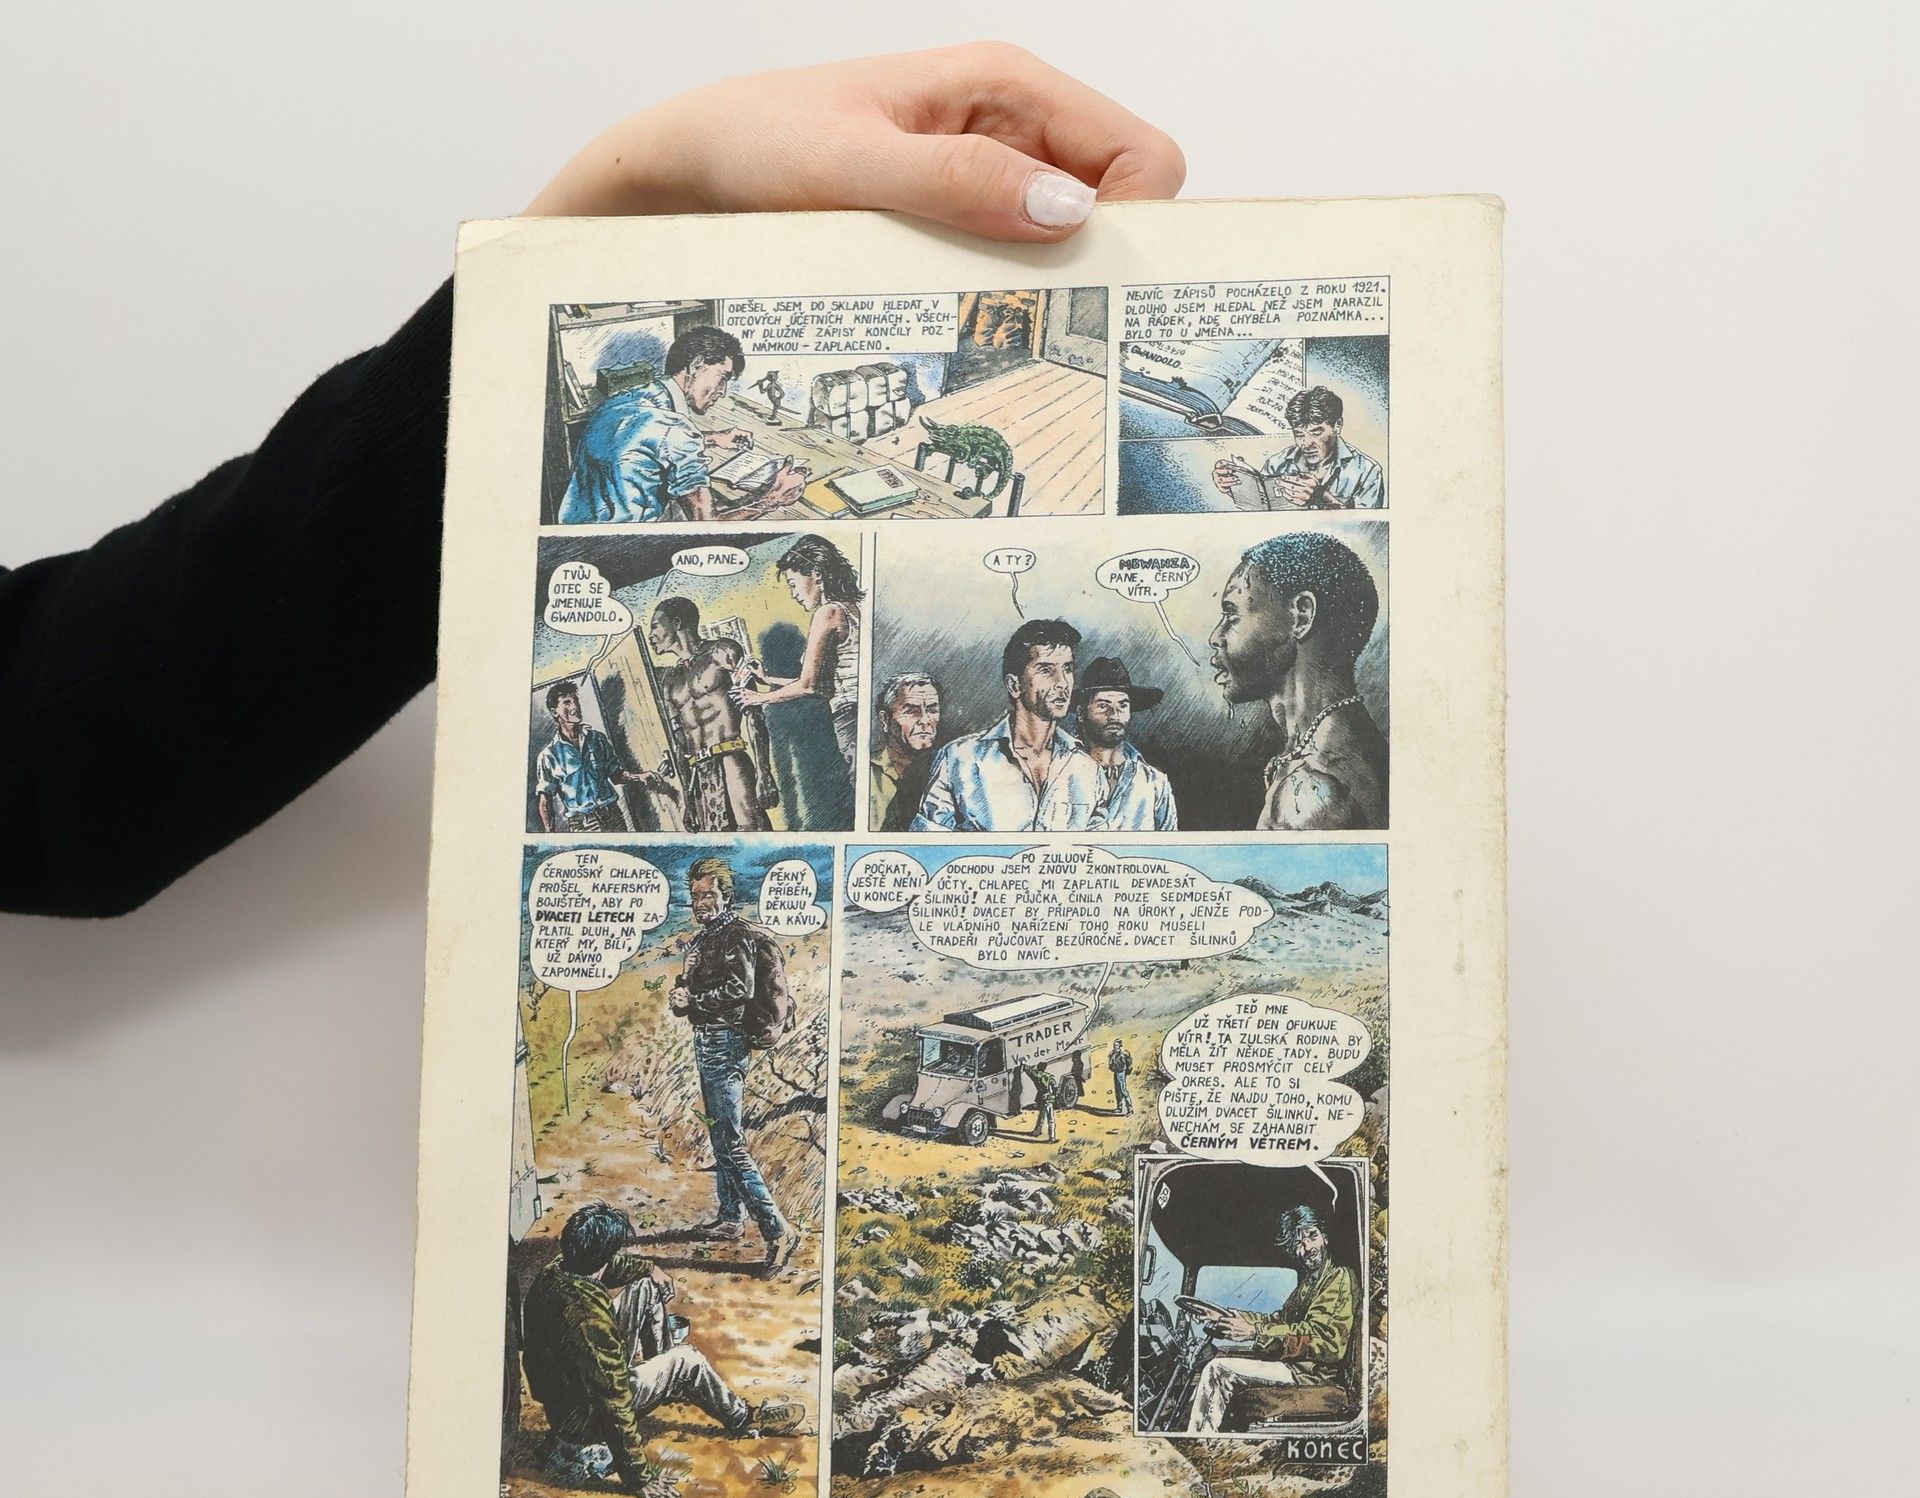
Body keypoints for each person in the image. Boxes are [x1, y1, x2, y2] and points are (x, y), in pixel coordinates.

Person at [2, 47, 1184, 918]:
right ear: (701, 373)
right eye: (720, 384)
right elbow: (87, 749)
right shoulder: (707, 527)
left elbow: (71, 734)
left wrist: (617, 207)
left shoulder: (635, 424)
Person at [518, 1201, 802, 1498]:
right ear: (602, 1256)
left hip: (569, 1393)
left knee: (644, 1285)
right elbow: (614, 1401)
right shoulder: (590, 1322)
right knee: (687, 1359)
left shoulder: (557, 1272)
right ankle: (744, 1418)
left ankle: (670, 1379)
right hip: (585, 1418)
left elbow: (611, 1267)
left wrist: (651, 1269)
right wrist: (638, 1478)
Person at [668, 856, 800, 1277]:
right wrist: (682, 991)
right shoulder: (707, 938)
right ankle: (730, 1217)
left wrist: (693, 1000)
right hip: (708, 1040)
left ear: (726, 895)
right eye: (696, 896)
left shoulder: (736, 934)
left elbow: (739, 989)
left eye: (709, 895)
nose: (701, 903)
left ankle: (778, 1230)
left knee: (730, 1141)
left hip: (725, 1043)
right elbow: (699, 992)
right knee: (719, 1133)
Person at [1208, 531, 1389, 831]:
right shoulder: (1319, 757)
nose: (1216, 637)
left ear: (1300, 617)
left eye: (1232, 614)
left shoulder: (1312, 793)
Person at [558, 324, 807, 524]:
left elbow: (651, 439)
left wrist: (712, 438)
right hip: (624, 546)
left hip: (576, 527)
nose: (723, 391)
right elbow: (707, 525)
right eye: (723, 377)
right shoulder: (677, 432)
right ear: (697, 365)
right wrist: (773, 499)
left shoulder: (628, 398)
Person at [912, 619, 1107, 831]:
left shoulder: (1088, 770)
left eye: (1067, 669)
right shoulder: (959, 760)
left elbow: (1100, 847)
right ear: (1014, 685)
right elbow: (927, 844)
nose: (1062, 683)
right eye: (1046, 670)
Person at [1182, 1203, 1358, 1434]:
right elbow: (1276, 1320)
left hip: (1311, 1375)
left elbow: (1322, 1339)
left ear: (1324, 1237)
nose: (1307, 1247)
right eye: (1298, 1243)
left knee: (1219, 1371)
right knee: (1216, 1367)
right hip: (1293, 1367)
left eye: (1311, 1236)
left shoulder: (1338, 1277)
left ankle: (1198, 1442)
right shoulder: (1307, 1286)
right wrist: (1226, 1316)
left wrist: (1255, 1333)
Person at [736, 533, 864, 783]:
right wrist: (768, 679)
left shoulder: (828, 612)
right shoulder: (850, 607)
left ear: (817, 575)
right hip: (856, 710)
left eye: (794, 584)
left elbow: (808, 686)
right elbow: (822, 684)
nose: (794, 594)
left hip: (849, 717)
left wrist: (758, 698)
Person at [650, 598, 779, 831]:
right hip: (698, 775)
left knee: (753, 833)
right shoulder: (670, 682)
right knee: (718, 843)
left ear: (677, 623)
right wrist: (687, 798)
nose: (651, 635)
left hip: (731, 761)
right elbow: (680, 743)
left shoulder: (722, 652)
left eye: (655, 626)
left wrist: (764, 773)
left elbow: (753, 713)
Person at [1211, 385, 1385, 511]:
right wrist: (1236, 488)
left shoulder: (1367, 471)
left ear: (1337, 425)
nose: (1306, 443)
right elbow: (1261, 513)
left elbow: (1367, 530)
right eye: (1299, 434)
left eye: (1316, 432)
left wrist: (1323, 498)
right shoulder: (1276, 464)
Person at [532, 679, 666, 832]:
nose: (575, 706)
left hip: (613, 816)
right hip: (582, 825)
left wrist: (639, 777)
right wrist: (549, 833)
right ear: (555, 712)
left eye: (576, 700)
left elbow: (616, 775)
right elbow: (545, 799)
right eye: (567, 703)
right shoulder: (549, 755)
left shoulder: (597, 739)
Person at [1072, 655, 1179, 831]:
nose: (1115, 715)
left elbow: (1171, 843)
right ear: (1081, 713)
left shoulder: (1153, 782)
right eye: (1103, 706)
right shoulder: (1062, 773)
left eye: (1122, 705)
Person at [869, 671, 942, 829]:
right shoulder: (865, 774)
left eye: (932, 710)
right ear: (885, 720)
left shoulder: (950, 770)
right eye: (911, 711)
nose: (925, 720)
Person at [1029, 1062, 1059, 1143]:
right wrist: (1053, 1096)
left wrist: (1025, 1065)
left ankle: (1037, 1131)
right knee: (1050, 1119)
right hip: (1049, 1098)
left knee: (1041, 1116)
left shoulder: (1037, 1076)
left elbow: (1030, 1072)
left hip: (1041, 1098)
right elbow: (1055, 1087)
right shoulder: (1049, 1076)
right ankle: (1052, 1137)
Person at [1108, 1037, 1134, 1115]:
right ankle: (1119, 1108)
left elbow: (1124, 1065)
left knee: (1123, 1090)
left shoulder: (1122, 1054)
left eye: (1116, 1045)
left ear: (1119, 1045)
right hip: (1116, 1072)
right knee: (1117, 1091)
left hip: (1121, 1073)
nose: (1115, 1046)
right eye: (1114, 1045)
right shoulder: (1113, 1053)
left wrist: (1121, 1070)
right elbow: (1111, 1063)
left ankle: (1130, 1109)